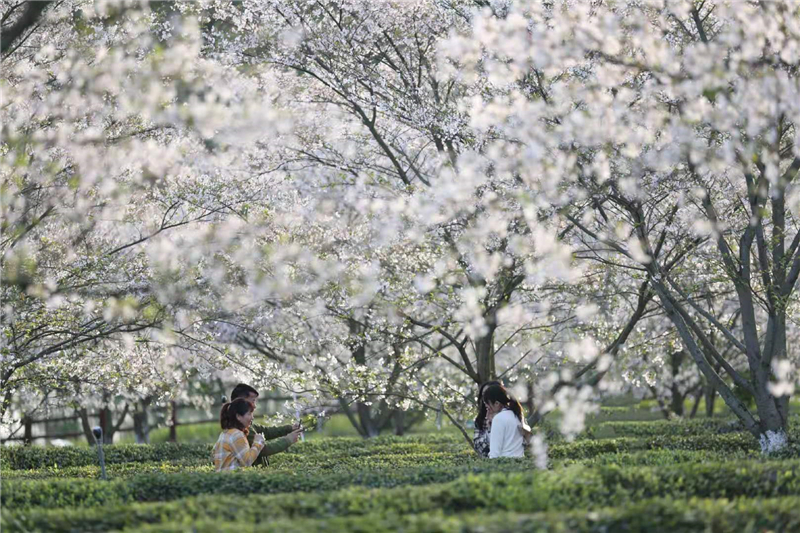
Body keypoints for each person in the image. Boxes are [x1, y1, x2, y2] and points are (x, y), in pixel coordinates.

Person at [229, 383, 303, 467]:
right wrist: (288, 440)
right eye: (253, 401)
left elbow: (266, 432)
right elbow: (264, 449)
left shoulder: (245, 425)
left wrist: (290, 428)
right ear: (241, 402)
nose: (255, 406)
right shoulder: (240, 428)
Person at [213, 398, 267, 471]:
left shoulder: (224, 433)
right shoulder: (237, 435)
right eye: (249, 414)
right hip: (233, 480)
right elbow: (248, 461)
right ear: (238, 416)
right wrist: (258, 442)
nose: (252, 417)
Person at [483, 384, 527, 458]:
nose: (488, 409)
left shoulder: (498, 419)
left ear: (496, 403)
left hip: (504, 464)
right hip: (519, 462)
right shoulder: (516, 414)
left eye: (488, 406)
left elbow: (494, 453)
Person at [473, 380, 501, 458]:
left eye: (488, 395)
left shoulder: (511, 415)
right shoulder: (481, 419)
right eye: (483, 395)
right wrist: (490, 430)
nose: (485, 399)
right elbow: (479, 446)